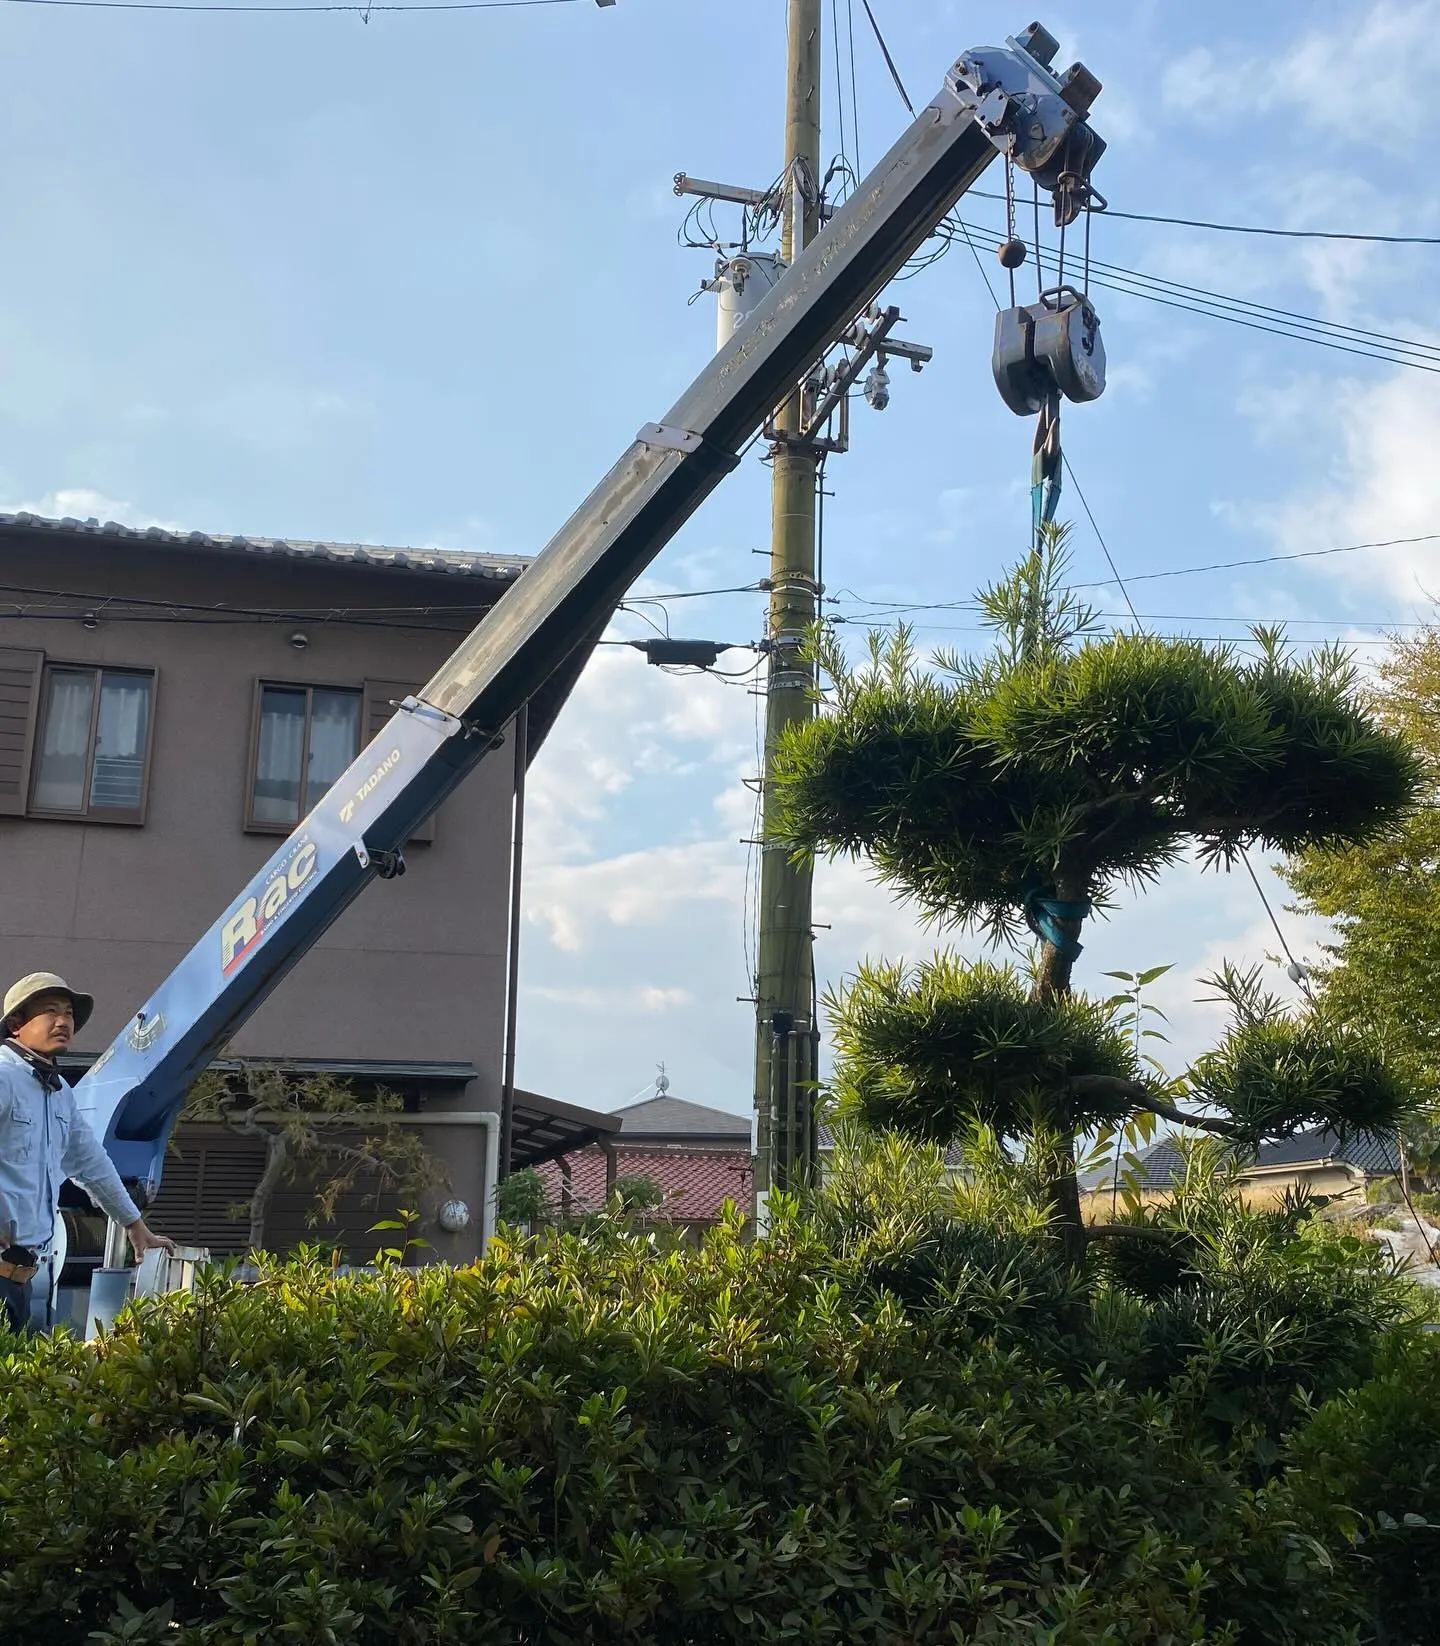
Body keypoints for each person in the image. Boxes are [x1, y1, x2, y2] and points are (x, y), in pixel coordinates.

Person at [0, 971, 174, 1333]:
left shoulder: (59, 1091)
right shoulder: (3, 1076)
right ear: (16, 1024)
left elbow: (91, 1163)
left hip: (19, 1280)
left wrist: (135, 1226)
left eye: (68, 1014)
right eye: (50, 1012)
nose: (63, 1021)